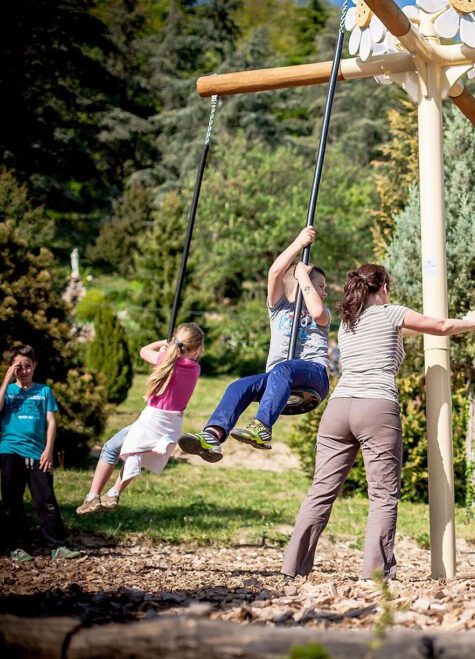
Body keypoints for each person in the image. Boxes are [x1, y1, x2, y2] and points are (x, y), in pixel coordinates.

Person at [282, 263, 475, 580]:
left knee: (321, 490)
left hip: (338, 409)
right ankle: (374, 573)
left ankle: (292, 568)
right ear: (384, 288)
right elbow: (442, 325)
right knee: (383, 496)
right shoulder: (391, 313)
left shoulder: (348, 324)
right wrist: (472, 323)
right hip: (376, 407)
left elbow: (414, 329)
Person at [179, 227, 331, 461]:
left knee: (284, 369)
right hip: (280, 378)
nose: (325, 293)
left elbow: (317, 310)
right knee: (238, 386)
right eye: (321, 286)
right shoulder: (279, 309)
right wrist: (298, 243)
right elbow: (274, 273)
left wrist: (303, 278)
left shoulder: (322, 314)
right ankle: (213, 435)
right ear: (298, 286)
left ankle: (262, 429)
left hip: (314, 376)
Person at [77, 324, 205, 515]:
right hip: (172, 426)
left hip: (152, 420)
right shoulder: (195, 369)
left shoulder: (164, 360)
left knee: (110, 449)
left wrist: (164, 345)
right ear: (196, 350)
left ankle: (93, 496)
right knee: (138, 455)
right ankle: (114, 492)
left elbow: (143, 351)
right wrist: (170, 351)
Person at [0, 345, 80, 560]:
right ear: (11, 368)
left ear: (34, 366)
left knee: (46, 500)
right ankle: (14, 547)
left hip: (37, 453)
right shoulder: (7, 391)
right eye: (18, 367)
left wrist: (48, 450)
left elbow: (51, 422)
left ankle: (57, 546)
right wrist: (7, 379)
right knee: (11, 501)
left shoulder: (44, 391)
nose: (23, 371)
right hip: (10, 451)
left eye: (27, 366)